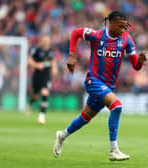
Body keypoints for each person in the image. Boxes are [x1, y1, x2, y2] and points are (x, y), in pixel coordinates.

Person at [53, 11, 147, 161]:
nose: (123, 30)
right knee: (117, 106)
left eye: (125, 27)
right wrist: (71, 56)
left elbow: (136, 66)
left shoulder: (126, 39)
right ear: (110, 23)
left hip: (108, 86)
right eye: (120, 26)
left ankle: (62, 135)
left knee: (85, 118)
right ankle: (113, 150)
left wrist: (141, 61)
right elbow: (76, 32)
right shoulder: (97, 35)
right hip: (94, 82)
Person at [27, 34, 58, 124]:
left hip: (46, 75)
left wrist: (54, 68)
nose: (46, 41)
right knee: (36, 95)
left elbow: (53, 61)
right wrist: (36, 65)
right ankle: (29, 103)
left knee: (45, 92)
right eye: (45, 39)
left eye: (48, 40)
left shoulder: (51, 51)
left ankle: (42, 116)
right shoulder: (36, 50)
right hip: (37, 75)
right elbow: (29, 60)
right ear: (42, 40)